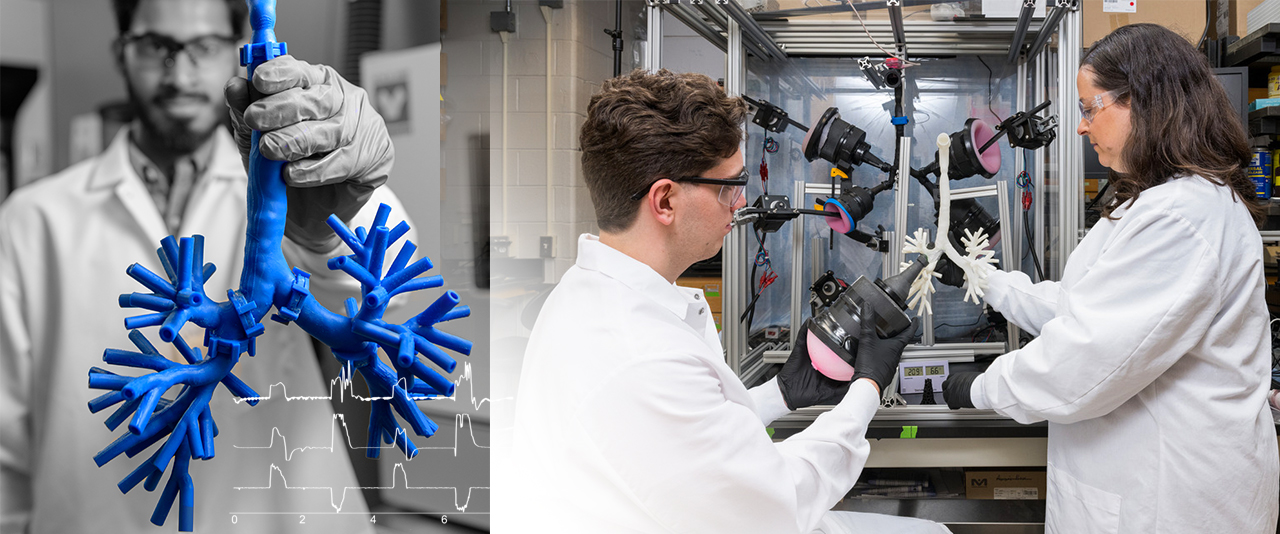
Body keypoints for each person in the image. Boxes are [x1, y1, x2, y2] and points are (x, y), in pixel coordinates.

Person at [0, 0, 414, 532]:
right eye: (156, 47)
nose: (180, 73)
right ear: (121, 53)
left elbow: (389, 305)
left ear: (235, 53)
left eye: (204, 47)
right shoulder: (30, 220)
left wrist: (322, 231)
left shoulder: (294, 178)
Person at [501, 69, 945, 534]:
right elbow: (780, 504)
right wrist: (868, 389)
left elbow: (685, 446)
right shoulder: (640, 355)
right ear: (665, 201)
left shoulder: (592, 295)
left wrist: (779, 395)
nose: (739, 202)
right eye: (727, 187)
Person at [941, 23, 1280, 533]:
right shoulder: (1166, 203)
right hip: (1155, 484)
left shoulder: (1181, 217)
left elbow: (1083, 359)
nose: (1081, 127)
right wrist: (987, 281)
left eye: (1088, 108)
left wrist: (982, 388)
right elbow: (1089, 308)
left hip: (1170, 501)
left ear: (1144, 102)